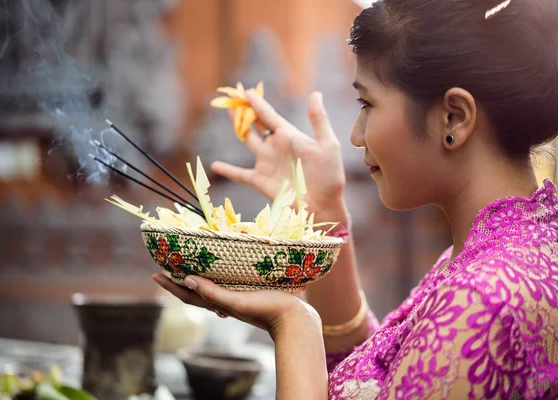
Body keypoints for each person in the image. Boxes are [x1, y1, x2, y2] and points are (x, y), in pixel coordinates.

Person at [153, 0, 558, 398]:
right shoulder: (508, 248)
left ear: (454, 116)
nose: (356, 134)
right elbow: (381, 372)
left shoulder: (480, 302)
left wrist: (292, 322)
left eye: (367, 104)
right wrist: (324, 210)